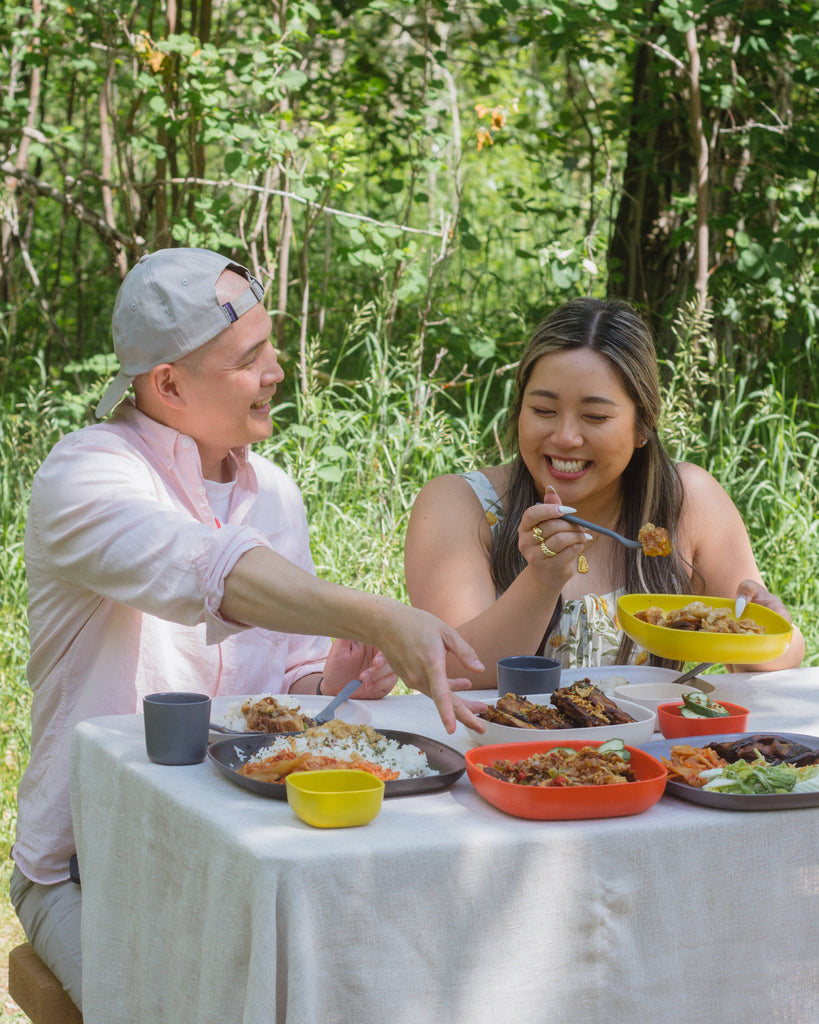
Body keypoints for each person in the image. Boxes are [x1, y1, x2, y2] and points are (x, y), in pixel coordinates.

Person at [11, 247, 487, 1011]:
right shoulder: (88, 474)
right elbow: (209, 570)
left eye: (271, 346)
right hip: (90, 862)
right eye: (249, 358)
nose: (277, 371)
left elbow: (286, 684)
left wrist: (337, 678)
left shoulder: (275, 493)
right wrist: (374, 613)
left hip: (243, 850)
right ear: (167, 383)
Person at [404, 297, 804, 688]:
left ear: (643, 427)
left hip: (652, 751)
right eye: (543, 411)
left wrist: (762, 628)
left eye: (595, 416)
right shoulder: (460, 505)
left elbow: (781, 654)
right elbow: (453, 672)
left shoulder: (687, 502)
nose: (564, 437)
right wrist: (542, 579)